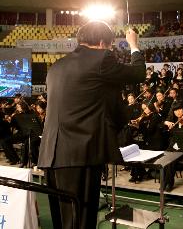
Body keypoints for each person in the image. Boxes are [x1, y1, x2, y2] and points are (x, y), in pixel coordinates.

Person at [38, 21, 146, 229]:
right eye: (110, 46)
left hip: (52, 154)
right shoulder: (101, 58)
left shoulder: (56, 66)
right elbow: (138, 73)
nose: (110, 50)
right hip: (81, 153)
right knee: (81, 221)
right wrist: (134, 45)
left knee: (63, 221)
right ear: (102, 42)